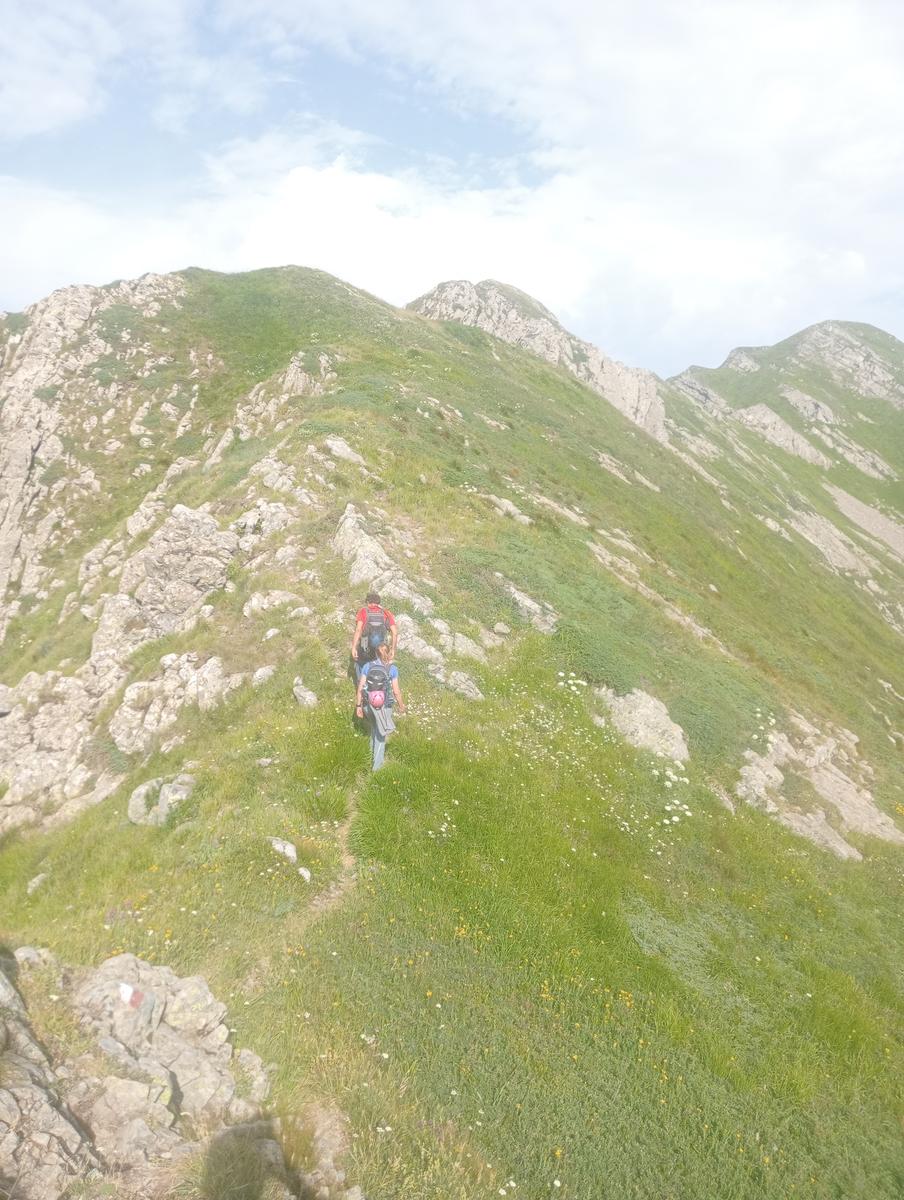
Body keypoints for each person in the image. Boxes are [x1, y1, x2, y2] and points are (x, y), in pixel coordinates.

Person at [355, 642, 406, 771]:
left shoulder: (367, 666)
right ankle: (377, 770)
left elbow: (360, 688)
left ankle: (371, 758)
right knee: (381, 735)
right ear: (388, 653)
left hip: (368, 705)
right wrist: (401, 705)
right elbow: (396, 691)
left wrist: (358, 706)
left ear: (375, 654)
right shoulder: (392, 669)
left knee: (374, 730)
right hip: (385, 706)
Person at [350, 591, 398, 679]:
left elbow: (358, 629)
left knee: (360, 666)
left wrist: (353, 647)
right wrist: (393, 650)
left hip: (365, 648)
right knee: (381, 671)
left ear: (368, 602)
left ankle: (363, 690)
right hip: (381, 650)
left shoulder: (363, 611)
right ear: (378, 602)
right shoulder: (386, 613)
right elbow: (394, 632)